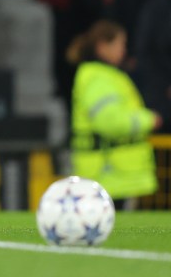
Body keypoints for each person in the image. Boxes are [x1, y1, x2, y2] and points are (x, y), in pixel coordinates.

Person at [69, 20, 160, 207]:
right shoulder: (98, 78)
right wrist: (148, 120)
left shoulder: (104, 75)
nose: (123, 50)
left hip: (113, 173)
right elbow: (110, 121)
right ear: (102, 47)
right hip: (109, 171)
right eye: (120, 44)